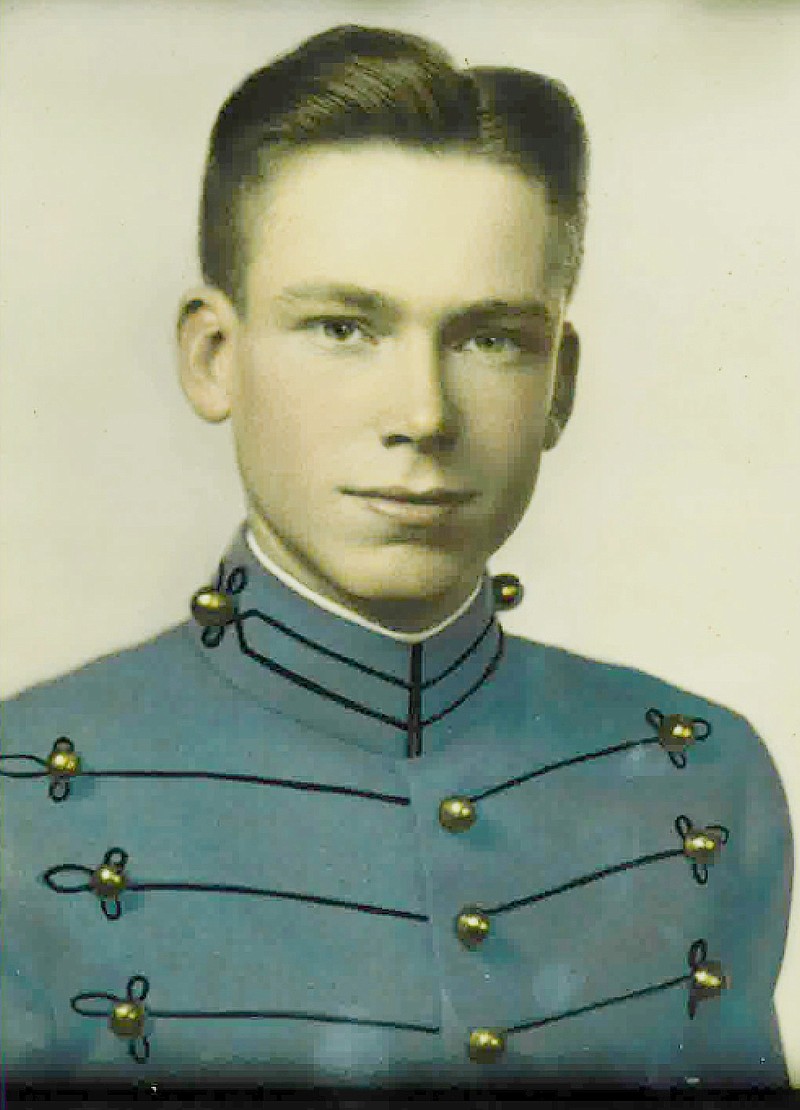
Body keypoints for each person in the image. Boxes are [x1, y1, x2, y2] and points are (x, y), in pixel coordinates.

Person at [0, 23, 793, 1094]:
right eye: (341, 327)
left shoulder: (698, 780)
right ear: (212, 358)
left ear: (557, 383)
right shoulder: (23, 797)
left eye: (487, 338)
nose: (421, 414)